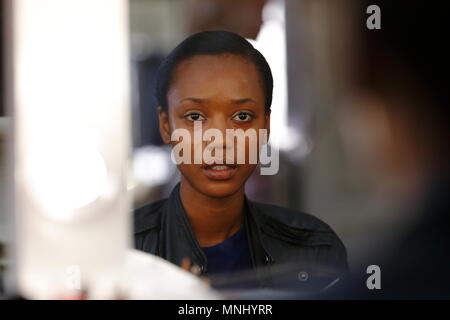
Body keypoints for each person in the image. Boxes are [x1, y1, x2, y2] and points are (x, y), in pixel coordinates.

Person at [134, 30, 348, 291]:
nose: (221, 140)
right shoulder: (123, 250)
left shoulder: (315, 250)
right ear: (166, 126)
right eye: (194, 117)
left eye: (243, 117)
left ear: (265, 127)